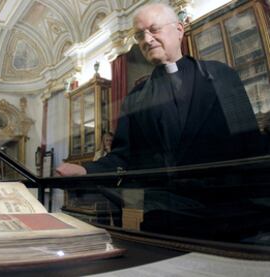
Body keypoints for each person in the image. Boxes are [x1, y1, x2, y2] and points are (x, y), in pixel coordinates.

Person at [57, 2, 265, 176]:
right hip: (165, 210)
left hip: (226, 209)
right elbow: (123, 157)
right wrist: (85, 171)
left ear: (179, 30)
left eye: (154, 30)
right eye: (139, 35)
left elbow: (251, 145)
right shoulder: (135, 99)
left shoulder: (221, 75)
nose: (146, 40)